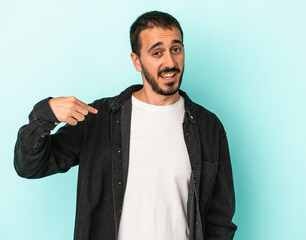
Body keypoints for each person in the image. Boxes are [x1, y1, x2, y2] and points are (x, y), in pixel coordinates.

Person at [14, 10, 237, 240]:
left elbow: (219, 221)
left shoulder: (209, 128)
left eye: (176, 49)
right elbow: (29, 166)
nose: (170, 62)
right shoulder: (99, 120)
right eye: (157, 52)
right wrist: (46, 114)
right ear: (137, 61)